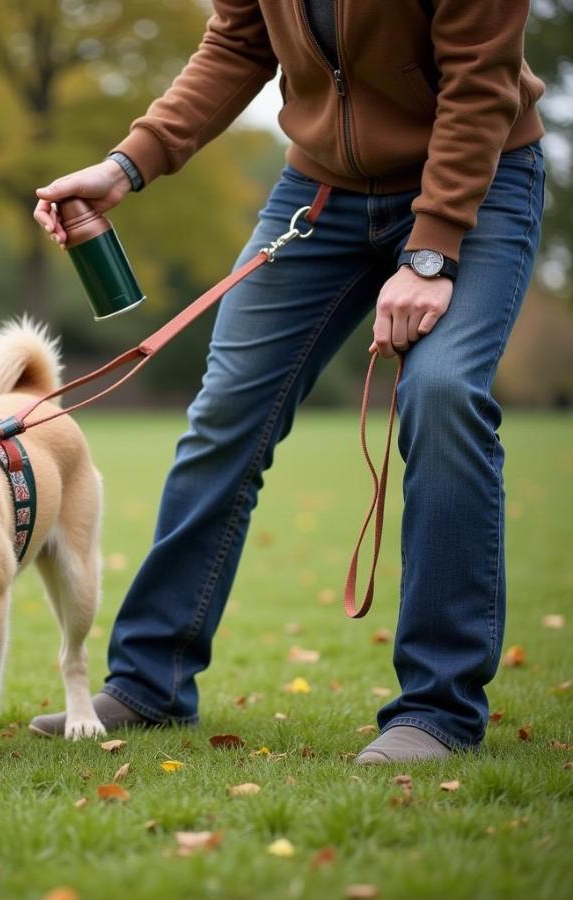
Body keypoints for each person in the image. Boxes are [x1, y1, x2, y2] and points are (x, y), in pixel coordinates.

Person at [31, 1, 545, 763]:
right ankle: (149, 683)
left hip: (479, 183)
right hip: (322, 194)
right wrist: (126, 165)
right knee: (226, 412)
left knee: (440, 394)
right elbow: (237, 43)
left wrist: (432, 249)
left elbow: (480, 79)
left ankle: (438, 708)